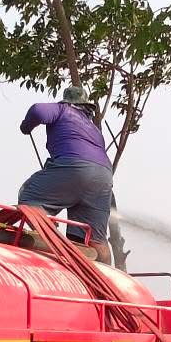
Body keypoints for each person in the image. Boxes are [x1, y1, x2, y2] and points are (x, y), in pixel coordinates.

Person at [18, 87, 115, 262]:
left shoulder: (63, 109)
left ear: (67, 101)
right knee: (95, 238)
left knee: (30, 197)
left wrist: (26, 126)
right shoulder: (93, 128)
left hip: (75, 167)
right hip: (103, 177)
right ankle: (109, 274)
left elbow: (38, 110)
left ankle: (54, 246)